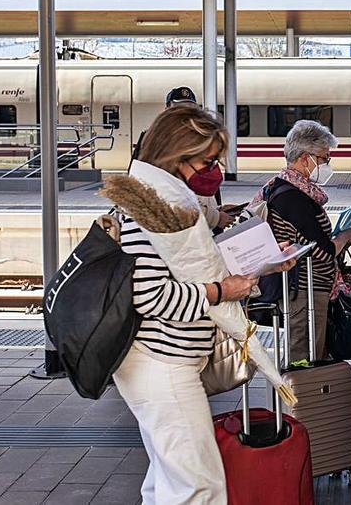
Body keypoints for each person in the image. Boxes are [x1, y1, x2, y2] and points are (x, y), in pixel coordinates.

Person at [112, 104, 293, 503]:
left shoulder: (163, 200)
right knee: (198, 488)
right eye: (207, 160)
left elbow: (188, 270)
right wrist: (220, 292)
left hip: (163, 363)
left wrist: (260, 262)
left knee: (168, 481)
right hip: (161, 366)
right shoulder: (152, 211)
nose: (214, 170)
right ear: (177, 156)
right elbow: (150, 294)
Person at [254, 119, 351, 362]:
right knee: (303, 357)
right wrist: (344, 237)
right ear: (304, 158)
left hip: (303, 287)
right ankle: (299, 399)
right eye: (324, 158)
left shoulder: (283, 187)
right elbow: (323, 251)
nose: (327, 164)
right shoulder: (294, 197)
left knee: (309, 354)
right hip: (304, 290)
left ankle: (303, 398)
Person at [133, 87, 234, 231]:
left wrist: (217, 209)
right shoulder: (156, 145)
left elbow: (198, 193)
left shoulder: (196, 141)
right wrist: (215, 217)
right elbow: (173, 203)